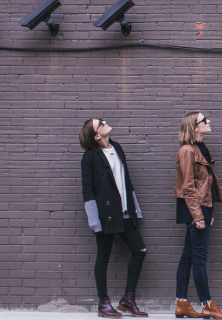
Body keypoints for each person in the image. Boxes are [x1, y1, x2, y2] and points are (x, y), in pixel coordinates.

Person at [80, 118, 148, 318]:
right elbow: (88, 190)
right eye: (100, 123)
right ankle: (103, 303)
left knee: (140, 250)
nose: (104, 122)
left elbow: (126, 180)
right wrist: (94, 221)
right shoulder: (89, 158)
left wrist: (135, 208)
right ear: (96, 135)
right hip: (105, 216)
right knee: (103, 257)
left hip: (125, 212)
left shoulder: (117, 147)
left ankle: (128, 299)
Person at [173, 112, 222, 319]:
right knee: (200, 260)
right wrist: (198, 215)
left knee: (188, 258)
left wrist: (208, 211)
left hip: (201, 208)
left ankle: (181, 303)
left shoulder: (199, 148)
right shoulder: (187, 151)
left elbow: (205, 186)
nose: (209, 122)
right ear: (194, 127)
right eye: (204, 120)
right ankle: (207, 304)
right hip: (194, 209)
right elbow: (188, 187)